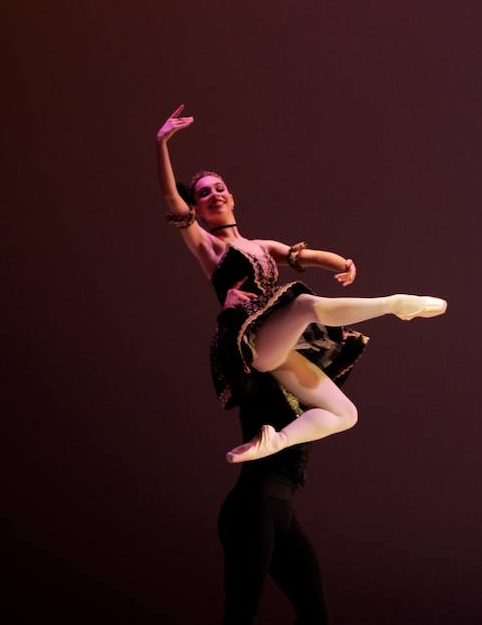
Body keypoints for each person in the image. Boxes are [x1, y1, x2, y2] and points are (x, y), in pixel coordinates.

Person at [155, 104, 448, 623]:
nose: (215, 195)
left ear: (233, 195)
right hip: (251, 344)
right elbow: (172, 205)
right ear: (199, 210)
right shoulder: (209, 248)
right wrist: (162, 145)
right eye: (205, 193)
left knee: (345, 413)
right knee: (305, 305)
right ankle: (394, 305)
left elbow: (297, 255)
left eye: (220, 187)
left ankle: (274, 439)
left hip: (282, 346)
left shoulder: (257, 243)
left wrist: (340, 262)